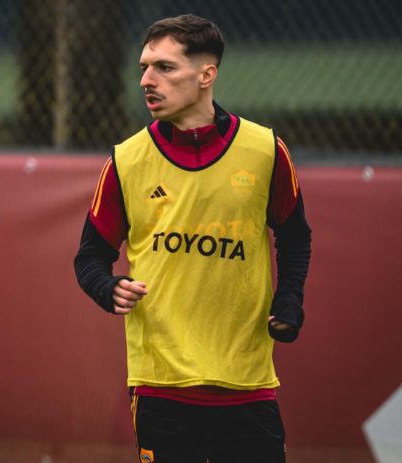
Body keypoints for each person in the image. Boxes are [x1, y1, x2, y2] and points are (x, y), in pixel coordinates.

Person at [74, 14, 312, 463]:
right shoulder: (126, 160)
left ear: (206, 75)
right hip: (160, 383)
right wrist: (108, 288)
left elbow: (295, 236)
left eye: (164, 67)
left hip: (248, 382)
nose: (146, 80)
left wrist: (289, 298)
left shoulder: (265, 151)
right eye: (144, 67)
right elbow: (89, 257)